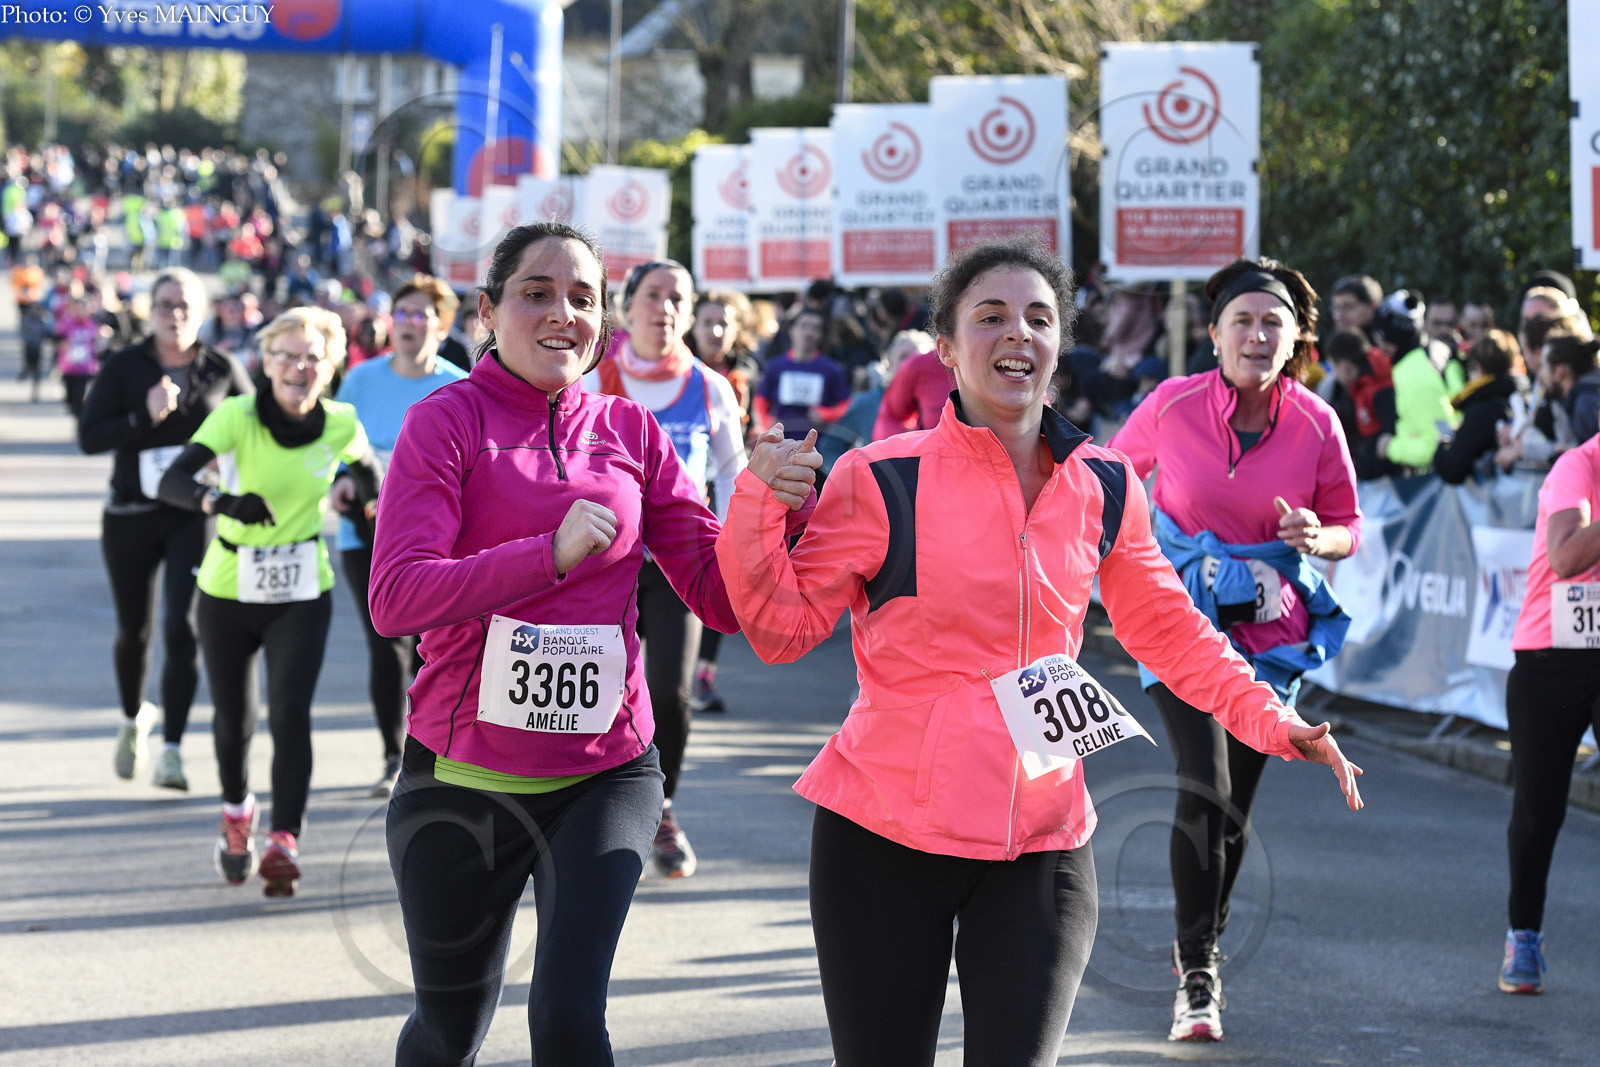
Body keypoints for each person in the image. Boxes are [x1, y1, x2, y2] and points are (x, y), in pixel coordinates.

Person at [717, 240, 1363, 1066]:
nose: (1017, 333)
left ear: (1059, 344)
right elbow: (781, 631)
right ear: (945, 347)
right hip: (883, 834)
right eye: (990, 316)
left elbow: (1171, 630)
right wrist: (756, 504)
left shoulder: (1105, 483)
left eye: (1038, 317)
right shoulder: (881, 479)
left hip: (1042, 836)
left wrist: (1273, 720)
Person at [366, 222, 813, 1065]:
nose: (562, 313)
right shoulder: (444, 423)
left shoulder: (631, 431)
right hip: (463, 780)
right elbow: (396, 598)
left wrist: (771, 511)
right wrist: (547, 554)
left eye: (582, 298)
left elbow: (718, 598)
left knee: (570, 1018)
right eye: (536, 293)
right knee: (448, 1032)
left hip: (605, 773)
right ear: (487, 311)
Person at [1109, 255, 1361, 1043]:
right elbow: (1107, 480)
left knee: (1236, 807)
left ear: (1295, 339)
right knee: (1206, 783)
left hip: (1270, 634)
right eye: (1243, 321)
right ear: (1214, 334)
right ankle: (1199, 972)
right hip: (1180, 623)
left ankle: (1202, 935)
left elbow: (1349, 527)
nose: (1257, 334)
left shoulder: (1317, 422)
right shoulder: (1171, 404)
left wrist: (1318, 535)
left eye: (1272, 323)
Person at [157, 306, 381, 897]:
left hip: (301, 589)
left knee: (290, 713)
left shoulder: (340, 422)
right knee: (235, 722)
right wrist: (222, 503)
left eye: (312, 358)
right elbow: (172, 481)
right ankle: (237, 817)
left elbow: (371, 477)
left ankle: (285, 839)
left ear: (330, 367)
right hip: (228, 589)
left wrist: (357, 494)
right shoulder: (236, 417)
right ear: (266, 362)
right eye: (286, 356)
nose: (298, 368)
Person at [585, 258, 747, 878]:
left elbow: (731, 475)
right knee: (600, 687)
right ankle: (591, 805)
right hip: (607, 565)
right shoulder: (594, 379)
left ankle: (663, 807)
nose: (666, 308)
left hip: (681, 567)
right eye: (653, 294)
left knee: (671, 693)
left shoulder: (710, 387)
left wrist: (734, 550)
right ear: (626, 306)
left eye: (679, 297)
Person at [77, 268, 253, 788]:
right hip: (130, 514)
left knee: (183, 625)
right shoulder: (125, 366)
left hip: (191, 514)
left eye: (184, 305)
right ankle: (134, 718)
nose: (174, 314)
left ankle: (172, 750)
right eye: (164, 305)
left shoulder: (221, 368)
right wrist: (142, 417)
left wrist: (229, 458)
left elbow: (256, 424)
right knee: (135, 630)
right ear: (149, 312)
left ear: (202, 313)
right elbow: (89, 437)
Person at [331, 275, 467, 797]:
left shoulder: (461, 387)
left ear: (441, 325)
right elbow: (335, 447)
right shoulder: (360, 380)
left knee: (435, 646)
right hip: (365, 534)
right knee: (387, 643)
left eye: (420, 314)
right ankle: (395, 756)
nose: (408, 323)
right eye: (401, 313)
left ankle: (436, 749)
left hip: (441, 540)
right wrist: (340, 480)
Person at [1500, 427, 1600, 994]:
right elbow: (1565, 558)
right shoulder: (1578, 466)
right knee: (1540, 812)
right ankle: (1524, 934)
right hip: (1550, 659)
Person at [686, 288, 764, 714]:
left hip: (728, 486)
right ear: (693, 326)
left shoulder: (745, 374)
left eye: (723, 324)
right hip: (684, 491)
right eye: (707, 322)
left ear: (736, 330)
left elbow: (755, 429)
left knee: (720, 583)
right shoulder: (676, 370)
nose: (715, 331)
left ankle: (703, 676)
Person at [1434, 329, 1523, 484]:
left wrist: (1443, 444)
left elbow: (1453, 468)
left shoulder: (1482, 410)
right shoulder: (1523, 395)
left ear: (1478, 366)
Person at [755, 305, 851, 444]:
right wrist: (766, 425)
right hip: (779, 442)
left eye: (815, 328)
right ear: (791, 330)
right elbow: (760, 401)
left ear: (821, 334)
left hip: (818, 444)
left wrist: (825, 414)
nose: (809, 333)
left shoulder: (832, 369)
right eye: (803, 326)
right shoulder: (775, 366)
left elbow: (846, 405)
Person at [1324, 328, 1396, 481]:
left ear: (1344, 367)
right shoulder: (1364, 383)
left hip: (1385, 478)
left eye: (1333, 368)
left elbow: (1382, 439)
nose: (1334, 375)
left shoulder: (1377, 388)